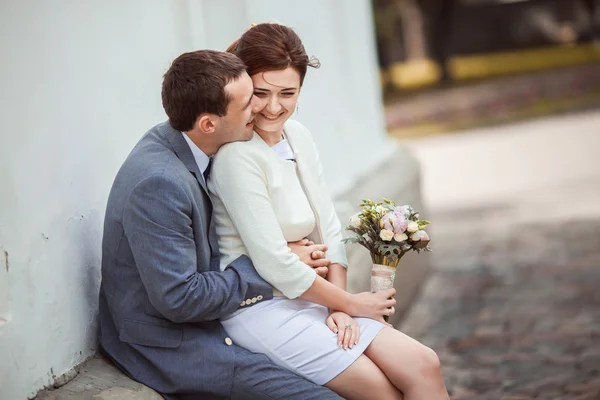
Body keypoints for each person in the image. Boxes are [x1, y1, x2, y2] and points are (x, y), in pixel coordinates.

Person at [97, 49, 396, 400]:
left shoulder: (191, 135)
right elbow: (180, 299)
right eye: (248, 103)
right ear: (208, 123)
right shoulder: (159, 183)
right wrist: (274, 266)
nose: (259, 108)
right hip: (171, 342)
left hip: (220, 316)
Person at [209, 23, 452, 400]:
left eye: (287, 93)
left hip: (318, 296)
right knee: (380, 390)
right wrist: (353, 304)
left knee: (423, 364)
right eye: (261, 94)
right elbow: (274, 261)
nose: (274, 107)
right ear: (243, 88)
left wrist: (338, 307)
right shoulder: (236, 157)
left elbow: (328, 225)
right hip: (262, 308)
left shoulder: (299, 137)